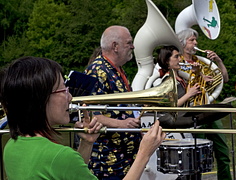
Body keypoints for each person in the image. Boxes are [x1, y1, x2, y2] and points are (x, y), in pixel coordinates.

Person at [0, 56, 166, 180]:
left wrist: (86, 143)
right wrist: (144, 153)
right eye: (63, 90)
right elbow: (64, 165)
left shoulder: (11, 146)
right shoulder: (60, 156)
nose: (70, 97)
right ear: (41, 100)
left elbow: (67, 174)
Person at [84, 25, 142, 179]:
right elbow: (90, 115)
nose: (133, 46)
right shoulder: (97, 70)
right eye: (128, 43)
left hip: (123, 158)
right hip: (108, 162)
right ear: (115, 46)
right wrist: (123, 124)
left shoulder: (116, 69)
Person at [177, 28, 232, 180]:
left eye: (196, 40)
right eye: (191, 40)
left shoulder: (201, 61)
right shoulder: (178, 62)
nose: (196, 42)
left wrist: (218, 61)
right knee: (196, 154)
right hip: (194, 111)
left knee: (223, 151)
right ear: (182, 43)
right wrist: (200, 76)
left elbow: (224, 78)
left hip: (210, 108)